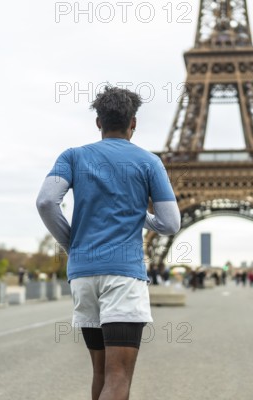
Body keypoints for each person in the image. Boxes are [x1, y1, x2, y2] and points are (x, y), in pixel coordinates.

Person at [36, 85, 180, 400]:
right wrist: (140, 216)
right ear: (134, 123)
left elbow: (47, 202)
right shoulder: (149, 162)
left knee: (101, 375)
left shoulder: (73, 156)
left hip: (83, 274)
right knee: (118, 379)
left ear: (98, 122)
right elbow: (170, 223)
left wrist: (72, 245)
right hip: (123, 275)